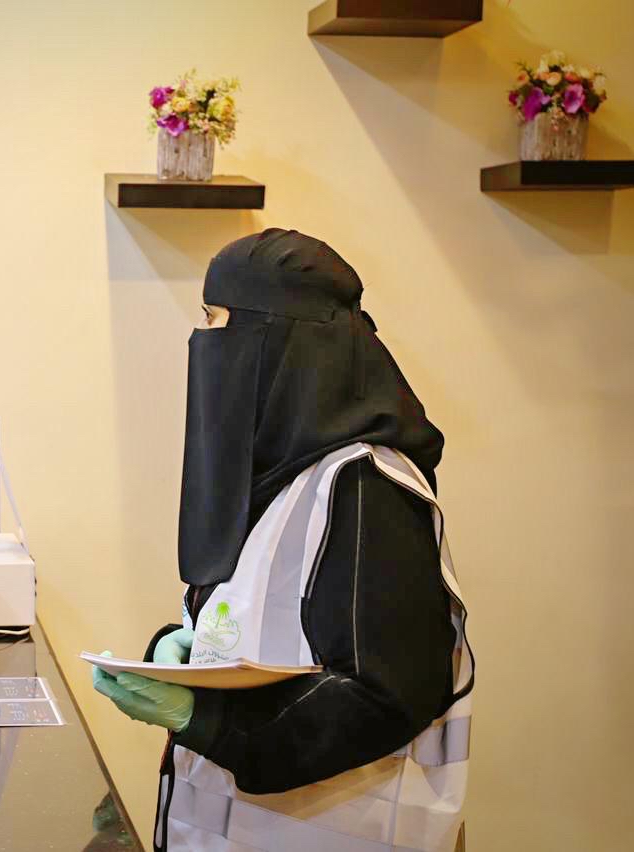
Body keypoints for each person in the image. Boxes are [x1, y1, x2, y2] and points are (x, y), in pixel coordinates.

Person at [91, 229, 474, 851]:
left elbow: (387, 696)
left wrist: (203, 718)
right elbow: (277, 624)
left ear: (274, 338)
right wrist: (191, 651)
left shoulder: (366, 488)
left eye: (215, 320)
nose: (204, 341)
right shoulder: (284, 475)